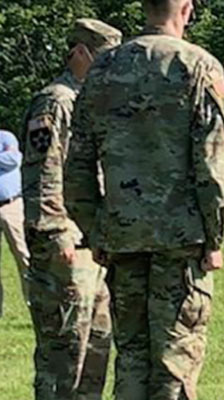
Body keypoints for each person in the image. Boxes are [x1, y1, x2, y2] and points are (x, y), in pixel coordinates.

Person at [64, 1, 224, 399]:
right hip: (181, 241)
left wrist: (97, 231)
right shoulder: (199, 66)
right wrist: (215, 237)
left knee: (132, 360)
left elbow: (78, 168)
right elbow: (213, 166)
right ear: (187, 10)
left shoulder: (103, 69)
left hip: (122, 240)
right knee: (174, 362)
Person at [22, 19, 121, 400]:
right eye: (100, 58)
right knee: (64, 353)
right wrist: (56, 231)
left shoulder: (90, 100)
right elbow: (43, 171)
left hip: (92, 240)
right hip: (64, 245)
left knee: (95, 347)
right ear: (80, 53)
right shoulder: (57, 101)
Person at [0, 128, 30, 317]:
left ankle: (34, 305)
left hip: (11, 206)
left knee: (24, 256)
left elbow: (13, 160)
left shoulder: (5, 137)